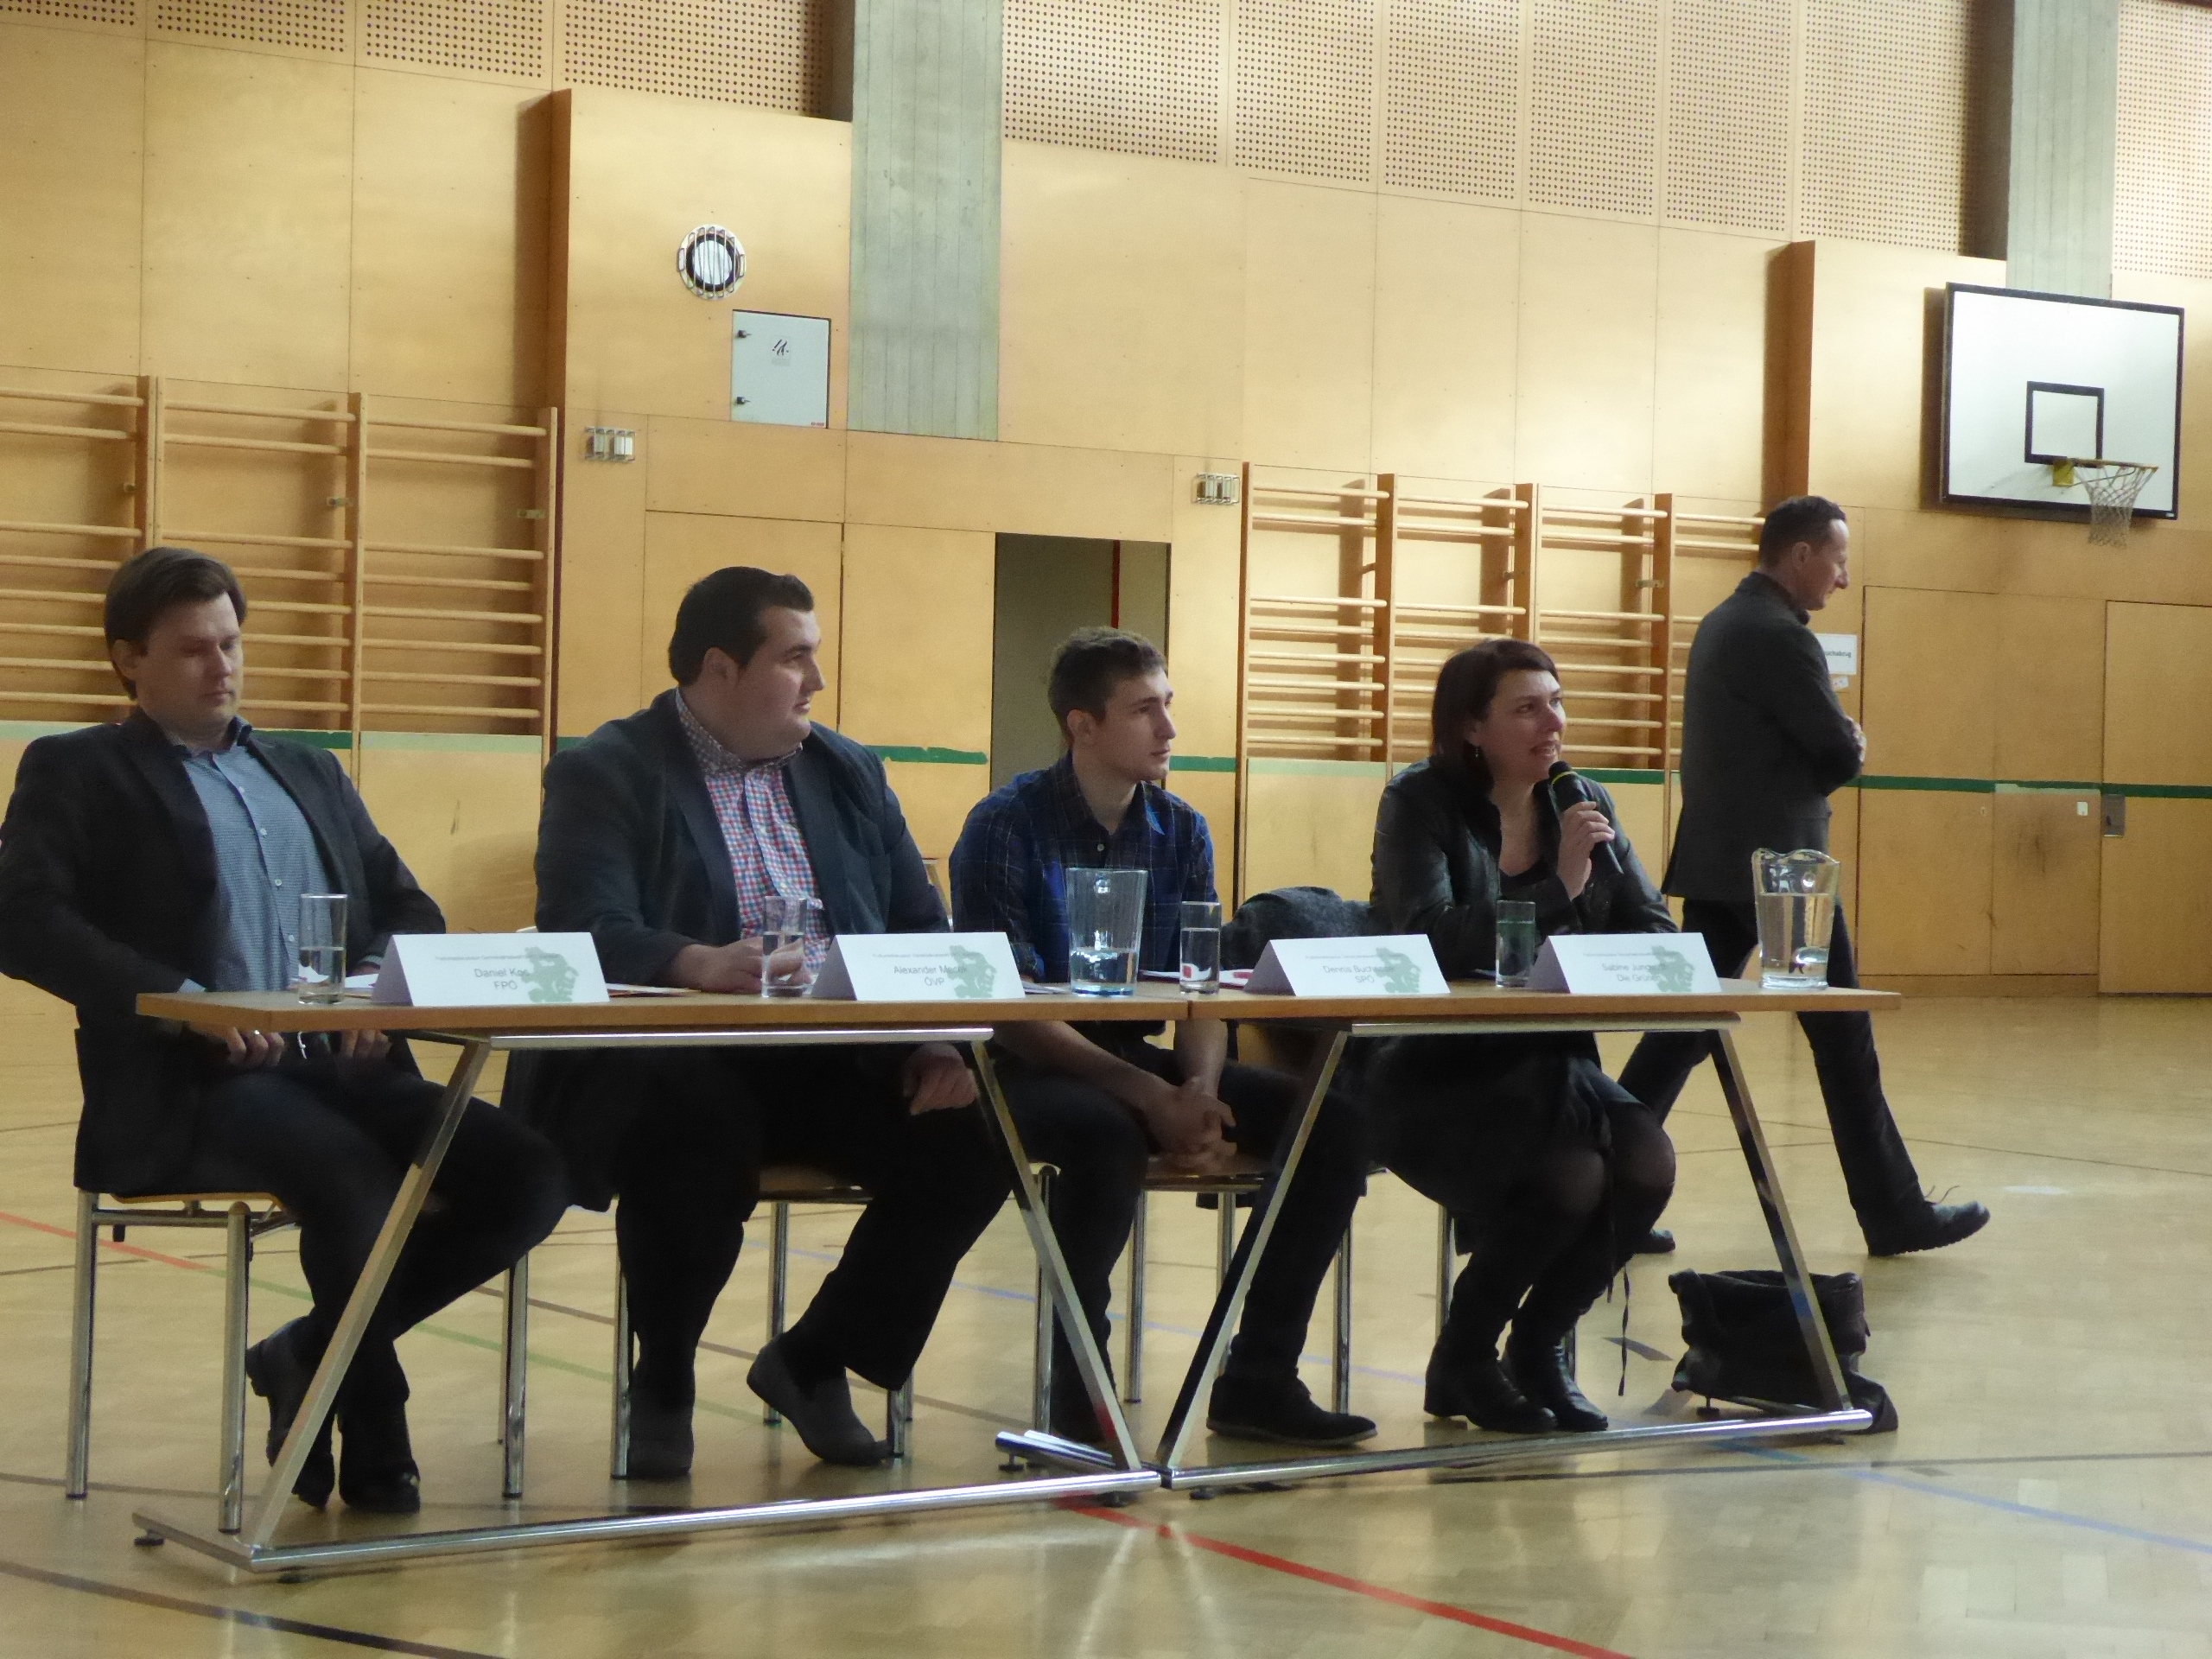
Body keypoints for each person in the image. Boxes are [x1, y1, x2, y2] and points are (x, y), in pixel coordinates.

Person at [0, 548, 567, 1515]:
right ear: (129, 659)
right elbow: (24, 920)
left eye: (230, 644)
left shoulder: (310, 771)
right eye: (193, 650)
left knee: (527, 1174)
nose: (221, 666)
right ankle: (377, 1425)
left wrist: (374, 994)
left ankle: (305, 1354)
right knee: (351, 1178)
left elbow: (409, 908)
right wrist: (187, 1002)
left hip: (346, 1067)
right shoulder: (80, 769)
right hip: (195, 1084)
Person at [513, 567, 1009, 1477]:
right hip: (679, 1057)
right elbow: (580, 926)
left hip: (832, 1055)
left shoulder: (848, 770)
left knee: (976, 1141)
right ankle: (664, 1378)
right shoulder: (609, 768)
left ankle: (815, 1357)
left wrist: (937, 1038)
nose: (815, 681)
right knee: (695, 1124)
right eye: (793, 658)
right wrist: (694, 963)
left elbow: (921, 925)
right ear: (720, 668)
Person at [950, 628, 1374, 1449]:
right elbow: (1009, 1009)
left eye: (1169, 705)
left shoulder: (1181, 827)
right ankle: (1081, 1398)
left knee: (1333, 1123)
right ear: (1083, 726)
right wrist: (1151, 1095)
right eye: (1145, 710)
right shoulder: (1006, 823)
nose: (1169, 728)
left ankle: (1258, 1378)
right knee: (1106, 1134)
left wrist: (1200, 1093)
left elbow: (1200, 988)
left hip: (1133, 1055)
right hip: (1026, 1059)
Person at [1617, 496, 1989, 1258]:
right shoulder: (1780, 636)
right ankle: (1894, 1212)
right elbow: (1836, 749)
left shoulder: (1723, 623)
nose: (1842, 578)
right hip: (1782, 872)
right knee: (1841, 1036)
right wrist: (1854, 740)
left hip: (1721, 860)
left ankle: (1604, 1193)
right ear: (1800, 555)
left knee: (1680, 1032)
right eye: (1838, 560)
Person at [1368, 639, 1677, 1435]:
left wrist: (1611, 934)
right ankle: (1466, 1357)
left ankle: (1538, 1347)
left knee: (1647, 1160)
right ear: (1473, 727)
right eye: (1528, 708)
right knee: (1571, 1175)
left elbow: (1651, 928)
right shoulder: (1420, 801)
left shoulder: (1581, 799)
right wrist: (1561, 888)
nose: (1553, 723)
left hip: (1549, 1060)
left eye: (1557, 703)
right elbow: (1429, 936)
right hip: (1434, 1068)